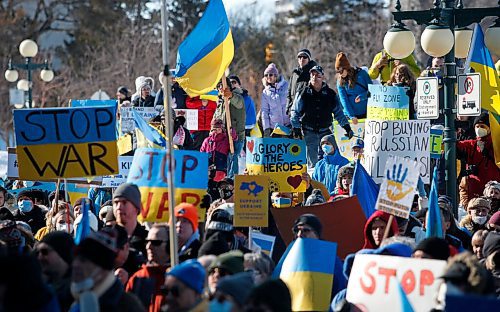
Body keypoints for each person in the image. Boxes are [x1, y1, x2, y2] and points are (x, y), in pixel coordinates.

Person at [291, 65, 353, 168]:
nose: (314, 77)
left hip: (325, 131)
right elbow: (295, 111)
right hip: (309, 131)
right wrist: (296, 127)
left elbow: (338, 113)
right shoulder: (303, 92)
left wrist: (347, 127)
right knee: (313, 164)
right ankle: (316, 182)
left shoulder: (330, 94)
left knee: (332, 159)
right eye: (312, 75)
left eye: (318, 75)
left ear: (323, 77)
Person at [70, 229, 145, 311]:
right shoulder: (73, 299)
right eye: (75, 259)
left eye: (83, 260)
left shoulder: (126, 306)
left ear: (102, 269)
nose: (75, 265)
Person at [457, 112, 500, 208]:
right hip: (473, 197)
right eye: (477, 126)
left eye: (483, 126)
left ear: (490, 128)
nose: (479, 129)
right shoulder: (471, 145)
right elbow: (454, 146)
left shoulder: (497, 145)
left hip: (494, 196)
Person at [126, 224, 170, 312]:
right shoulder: (138, 277)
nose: (148, 247)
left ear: (170, 245)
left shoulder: (178, 278)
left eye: (155, 242)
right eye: (147, 242)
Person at [213, 78, 246, 179]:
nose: (221, 88)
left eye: (222, 85)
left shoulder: (237, 97)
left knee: (233, 158)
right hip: (223, 138)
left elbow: (239, 103)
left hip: (235, 137)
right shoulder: (220, 102)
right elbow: (215, 118)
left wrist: (230, 95)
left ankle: (233, 182)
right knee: (224, 162)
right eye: (218, 87)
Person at [113, 183, 148, 274]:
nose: (119, 207)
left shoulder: (148, 240)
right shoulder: (105, 238)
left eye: (124, 202)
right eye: (116, 203)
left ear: (136, 208)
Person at [36, 231, 75, 311]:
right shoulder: (38, 284)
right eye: (37, 253)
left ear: (62, 253)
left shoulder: (77, 290)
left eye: (44, 252)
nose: (40, 257)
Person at [335, 52, 372, 121]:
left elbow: (372, 91)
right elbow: (344, 100)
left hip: (366, 113)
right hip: (351, 116)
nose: (340, 74)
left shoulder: (362, 74)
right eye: (338, 72)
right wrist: (351, 116)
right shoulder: (340, 81)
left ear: (346, 67)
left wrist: (363, 96)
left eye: (341, 71)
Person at [261, 63, 290, 137]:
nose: (268, 77)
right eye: (266, 75)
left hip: (288, 125)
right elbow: (265, 111)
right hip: (274, 128)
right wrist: (266, 128)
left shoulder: (286, 86)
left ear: (276, 75)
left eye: (270, 75)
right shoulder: (265, 92)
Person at [286, 48, 318, 115]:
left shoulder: (313, 73)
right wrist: (288, 108)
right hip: (294, 112)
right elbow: (289, 93)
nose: (302, 59)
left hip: (307, 113)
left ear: (309, 59)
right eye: (300, 57)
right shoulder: (295, 74)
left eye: (304, 57)